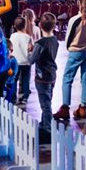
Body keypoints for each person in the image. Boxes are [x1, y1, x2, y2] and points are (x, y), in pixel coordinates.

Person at [54, 0, 86, 121]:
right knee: (85, 79)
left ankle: (65, 107)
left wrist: (69, 48)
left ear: (78, 3)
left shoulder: (75, 20)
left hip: (75, 51)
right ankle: (83, 107)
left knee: (67, 79)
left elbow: (69, 37)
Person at [29, 13, 59, 143]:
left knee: (45, 105)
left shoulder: (40, 43)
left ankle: (48, 129)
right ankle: (44, 124)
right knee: (47, 101)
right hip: (52, 74)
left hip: (42, 77)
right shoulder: (55, 40)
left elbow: (31, 60)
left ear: (40, 25)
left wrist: (29, 51)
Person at [10, 16, 34, 104]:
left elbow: (11, 47)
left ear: (14, 26)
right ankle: (24, 97)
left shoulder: (12, 36)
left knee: (14, 79)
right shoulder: (28, 37)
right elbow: (31, 48)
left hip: (15, 61)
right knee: (25, 80)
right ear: (25, 26)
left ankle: (13, 97)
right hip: (25, 61)